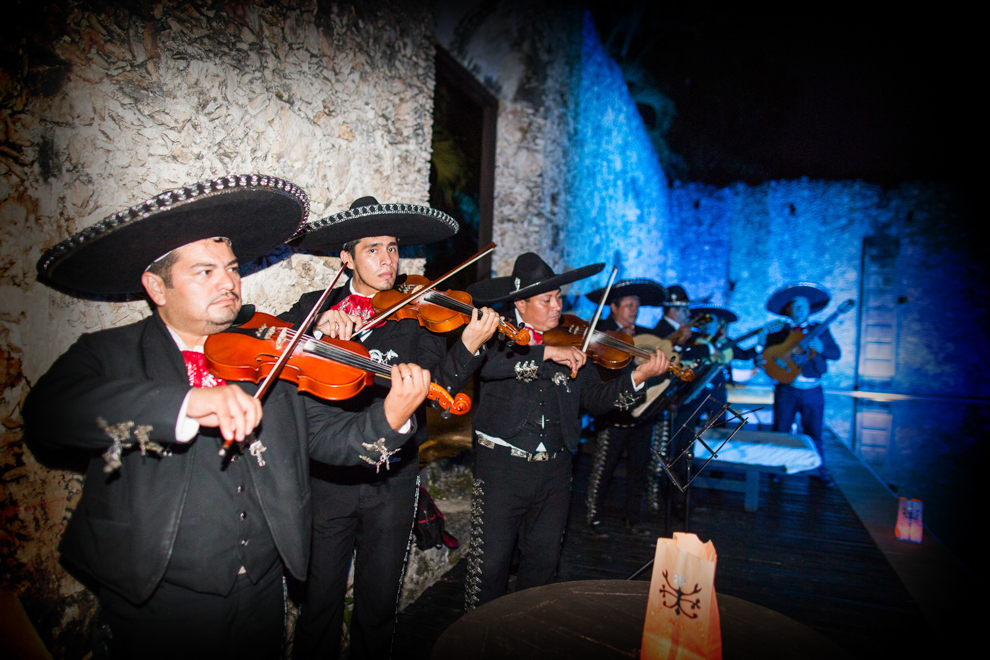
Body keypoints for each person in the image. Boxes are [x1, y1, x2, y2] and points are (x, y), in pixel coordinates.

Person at [22, 176, 430, 660]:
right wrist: (186, 404)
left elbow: (332, 441)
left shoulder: (272, 354)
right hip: (158, 598)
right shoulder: (111, 353)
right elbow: (48, 413)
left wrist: (392, 418)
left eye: (232, 269)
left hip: (261, 589)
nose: (228, 282)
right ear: (157, 286)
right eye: (204, 272)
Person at [283, 197, 500, 659]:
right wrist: (316, 331)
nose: (387, 260)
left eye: (393, 247)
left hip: (393, 478)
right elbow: (273, 347)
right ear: (347, 259)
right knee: (318, 606)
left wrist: (467, 343)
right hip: (329, 479)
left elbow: (439, 385)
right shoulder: (314, 306)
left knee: (378, 608)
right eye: (373, 249)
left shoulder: (414, 317)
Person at [462, 254, 670, 610]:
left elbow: (595, 398)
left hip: (556, 471)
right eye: (547, 300)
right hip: (502, 471)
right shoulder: (495, 335)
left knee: (543, 566)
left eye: (559, 297)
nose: (558, 306)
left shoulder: (574, 342)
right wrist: (545, 353)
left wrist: (637, 378)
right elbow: (490, 367)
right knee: (489, 567)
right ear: (520, 303)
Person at [582, 279, 667, 538]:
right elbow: (596, 372)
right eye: (629, 305)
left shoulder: (644, 333)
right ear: (613, 307)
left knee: (639, 466)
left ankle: (633, 518)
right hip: (613, 411)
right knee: (604, 466)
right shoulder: (600, 332)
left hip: (641, 411)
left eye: (637, 305)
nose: (634, 310)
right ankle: (593, 516)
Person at [763, 282, 841, 486]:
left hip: (812, 390)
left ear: (809, 309)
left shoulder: (819, 329)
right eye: (795, 306)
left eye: (803, 306)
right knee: (781, 430)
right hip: (786, 389)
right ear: (788, 310)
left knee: (814, 432)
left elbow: (835, 353)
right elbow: (768, 355)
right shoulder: (778, 331)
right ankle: (777, 469)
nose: (799, 310)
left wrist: (822, 348)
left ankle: (819, 470)